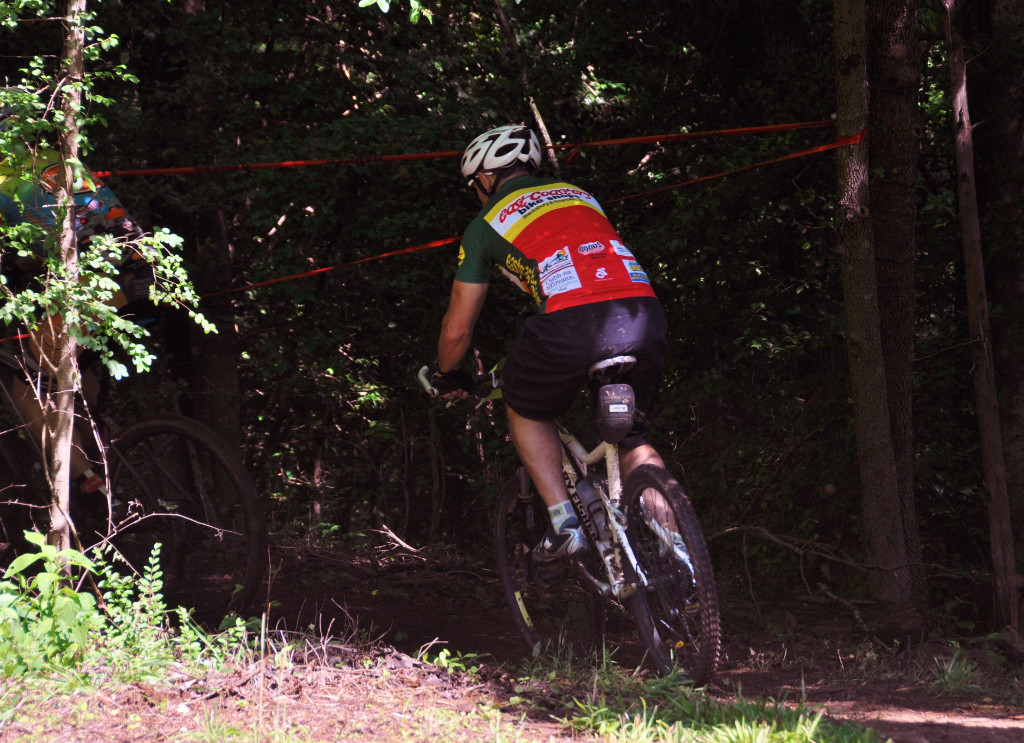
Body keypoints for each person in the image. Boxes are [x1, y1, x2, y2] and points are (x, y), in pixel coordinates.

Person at [428, 124, 669, 565]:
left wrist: (445, 374)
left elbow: (457, 329)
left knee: (525, 404)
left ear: (484, 178)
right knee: (635, 440)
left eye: (474, 186)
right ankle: (683, 554)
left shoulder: (484, 225)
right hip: (643, 313)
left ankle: (564, 524)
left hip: (570, 320)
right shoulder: (579, 194)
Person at [0, 135, 152, 497]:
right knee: (70, 372)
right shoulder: (60, 158)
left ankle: (90, 483)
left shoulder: (3, 176)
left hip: (95, 282)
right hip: (147, 274)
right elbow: (63, 231)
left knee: (28, 387)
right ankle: (95, 457)